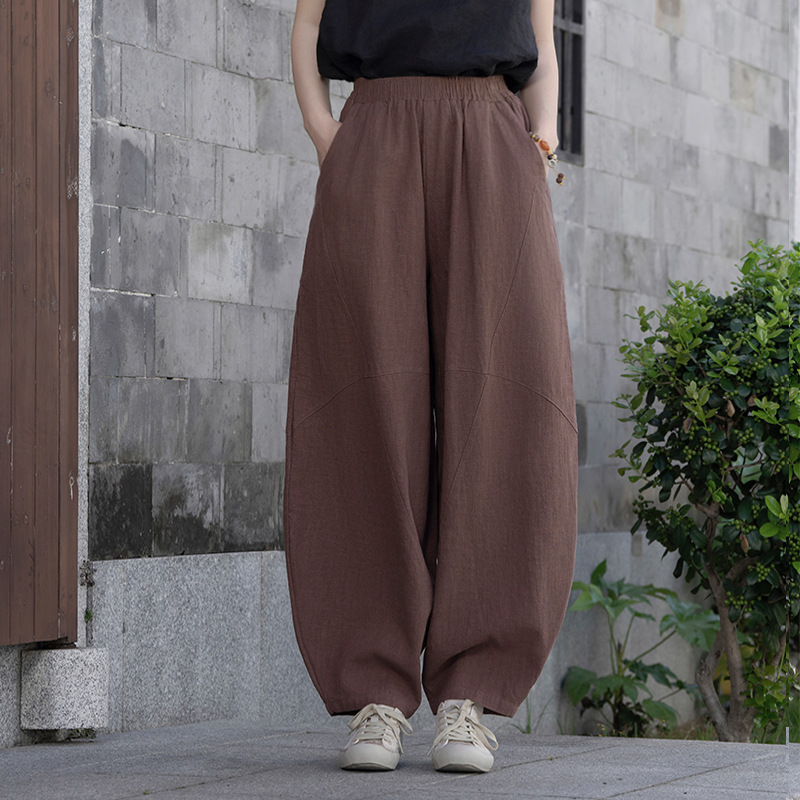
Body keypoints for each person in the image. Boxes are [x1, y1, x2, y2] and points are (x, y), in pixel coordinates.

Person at [283, 0, 578, 773]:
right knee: (365, 398)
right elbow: (308, 26)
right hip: (374, 132)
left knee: (507, 398)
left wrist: (543, 137)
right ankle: (375, 692)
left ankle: (469, 698)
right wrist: (325, 133)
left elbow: (540, 40)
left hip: (493, 138)